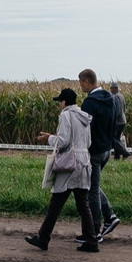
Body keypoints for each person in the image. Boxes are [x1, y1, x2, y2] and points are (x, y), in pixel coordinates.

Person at [26, 87, 99, 251]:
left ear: (64, 101)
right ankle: (92, 241)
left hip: (69, 163)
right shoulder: (85, 117)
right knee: (83, 204)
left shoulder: (66, 115)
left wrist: (50, 138)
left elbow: (64, 141)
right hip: (84, 161)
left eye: (60, 101)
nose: (59, 104)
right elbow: (87, 142)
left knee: (56, 203)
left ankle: (43, 239)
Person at [79, 70, 124, 237]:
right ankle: (110, 216)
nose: (80, 86)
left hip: (94, 151)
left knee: (91, 191)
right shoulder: (110, 99)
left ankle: (94, 230)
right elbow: (115, 123)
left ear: (86, 81)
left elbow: (85, 130)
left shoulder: (89, 102)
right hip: (106, 149)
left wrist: (83, 150)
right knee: (93, 186)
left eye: (81, 83)